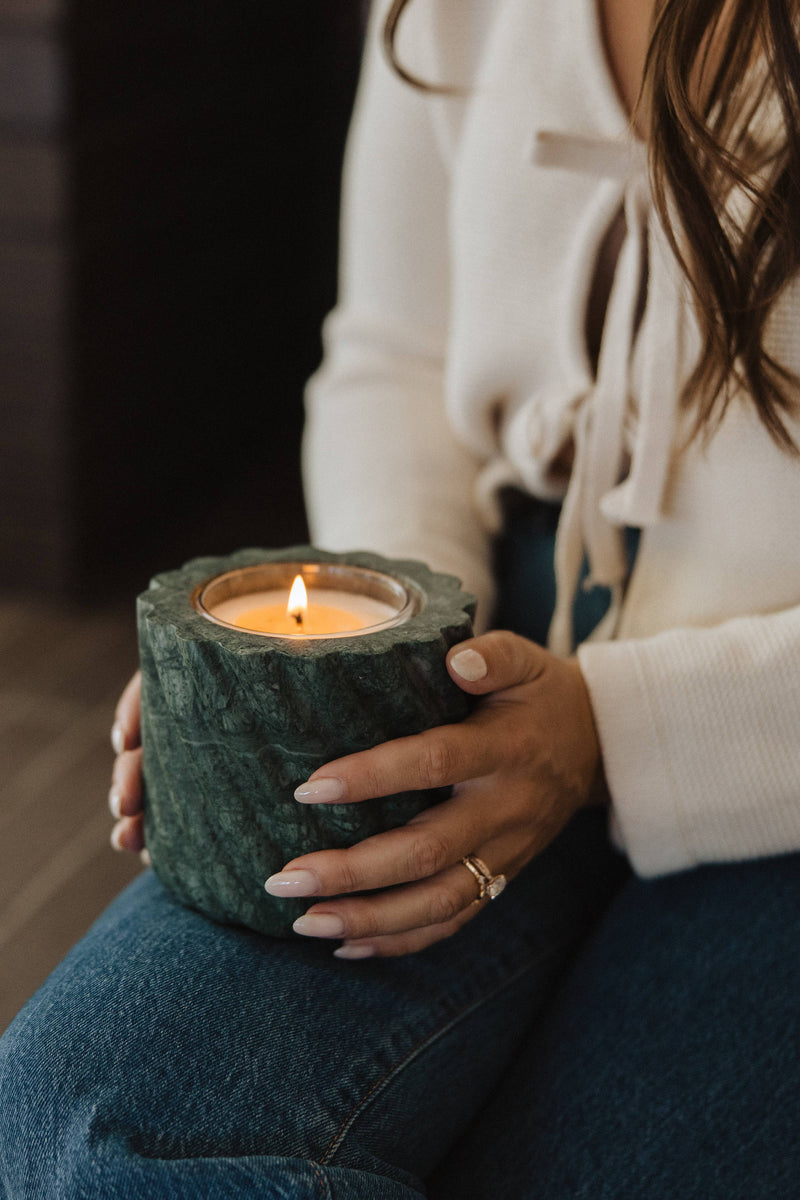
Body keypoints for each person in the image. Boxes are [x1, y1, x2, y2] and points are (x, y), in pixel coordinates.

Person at [2, 0, 800, 1194]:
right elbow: (396, 352)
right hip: (505, 623)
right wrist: (377, 668)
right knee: (85, 1124)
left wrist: (614, 733)